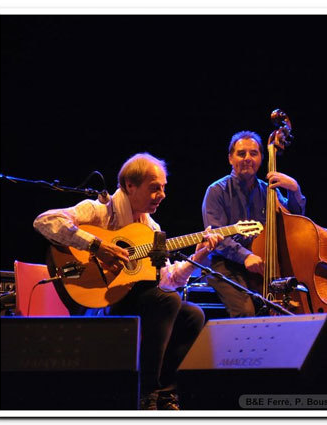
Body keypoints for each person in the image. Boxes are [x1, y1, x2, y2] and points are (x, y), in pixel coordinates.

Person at [33, 152, 223, 410]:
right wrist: (96, 245)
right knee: (166, 301)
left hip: (137, 302)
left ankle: (167, 394)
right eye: (155, 188)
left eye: (164, 188)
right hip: (98, 301)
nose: (163, 195)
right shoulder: (99, 210)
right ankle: (146, 394)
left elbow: (165, 280)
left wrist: (199, 255)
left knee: (193, 315)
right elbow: (44, 221)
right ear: (129, 186)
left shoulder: (151, 228)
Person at [201, 130, 306, 317]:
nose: (248, 158)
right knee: (246, 311)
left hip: (262, 265)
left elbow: (295, 221)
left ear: (261, 158)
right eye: (241, 154)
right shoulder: (216, 191)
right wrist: (245, 256)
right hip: (226, 265)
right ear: (230, 159)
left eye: (253, 153)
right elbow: (218, 236)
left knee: (283, 309)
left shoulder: (268, 191)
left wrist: (294, 190)